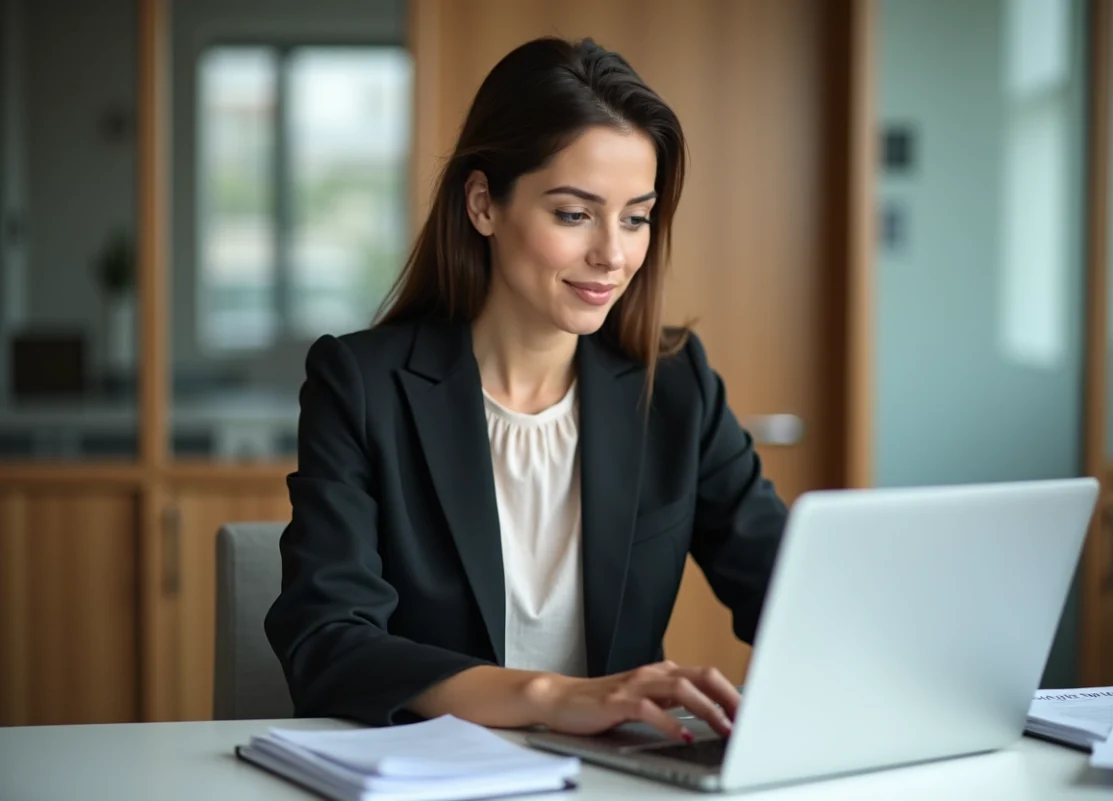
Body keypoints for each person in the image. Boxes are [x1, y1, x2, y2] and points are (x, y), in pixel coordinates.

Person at [264, 36, 789, 743]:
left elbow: (790, 594)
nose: (613, 253)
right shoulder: (362, 386)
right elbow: (328, 641)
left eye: (636, 217)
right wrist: (553, 695)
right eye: (574, 214)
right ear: (483, 203)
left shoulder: (675, 386)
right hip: (435, 774)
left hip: (616, 782)